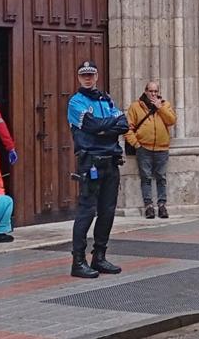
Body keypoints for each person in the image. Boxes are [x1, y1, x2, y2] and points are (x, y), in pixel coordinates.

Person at [67, 60, 129, 279]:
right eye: (84, 75)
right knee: (87, 211)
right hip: (90, 162)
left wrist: (104, 129)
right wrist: (107, 127)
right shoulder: (76, 102)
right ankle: (78, 261)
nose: (88, 78)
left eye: (91, 75)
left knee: (108, 210)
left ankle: (99, 256)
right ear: (78, 78)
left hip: (111, 161)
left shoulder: (106, 99)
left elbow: (124, 124)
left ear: (96, 76)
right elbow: (91, 126)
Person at [125, 80, 177, 219]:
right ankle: (148, 206)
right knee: (146, 178)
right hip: (144, 148)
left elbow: (171, 120)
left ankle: (162, 205)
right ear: (145, 91)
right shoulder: (135, 107)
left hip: (162, 148)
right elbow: (127, 128)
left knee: (161, 177)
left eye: (155, 91)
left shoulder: (165, 105)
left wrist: (160, 108)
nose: (153, 94)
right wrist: (136, 144)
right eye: (150, 91)